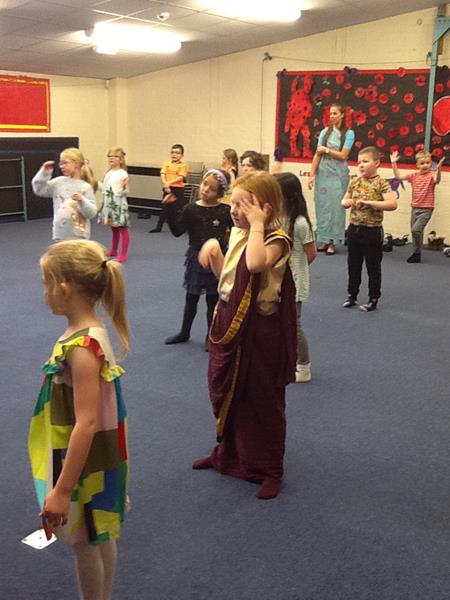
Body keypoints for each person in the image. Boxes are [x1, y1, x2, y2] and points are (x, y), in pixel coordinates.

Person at [28, 239, 130, 600]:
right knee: (98, 534)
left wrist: (62, 489)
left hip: (85, 465)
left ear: (64, 289)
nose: (45, 293)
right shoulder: (88, 333)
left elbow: (86, 423)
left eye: (46, 285)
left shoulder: (83, 348)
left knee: (83, 542)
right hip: (92, 455)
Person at [192, 172, 297, 500]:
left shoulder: (277, 239)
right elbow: (232, 280)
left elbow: (254, 265)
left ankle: (270, 468)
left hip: (260, 331)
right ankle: (226, 454)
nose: (234, 210)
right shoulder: (240, 231)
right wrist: (215, 255)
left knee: (262, 399)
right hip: (229, 320)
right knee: (230, 394)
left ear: (265, 209)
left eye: (242, 205)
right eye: (233, 203)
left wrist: (257, 225)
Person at [165, 169, 233, 346]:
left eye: (212, 188)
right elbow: (177, 231)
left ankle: (211, 336)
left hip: (217, 259)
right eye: (204, 184)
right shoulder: (191, 209)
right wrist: (170, 208)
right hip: (196, 258)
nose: (205, 189)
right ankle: (184, 332)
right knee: (191, 297)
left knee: (212, 300)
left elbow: (237, 232)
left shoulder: (225, 211)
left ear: (220, 193)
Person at [342, 146, 397, 312]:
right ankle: (352, 295)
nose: (361, 165)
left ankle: (373, 298)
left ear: (377, 163)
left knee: (373, 267)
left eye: (365, 161)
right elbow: (344, 201)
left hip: (372, 231)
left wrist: (370, 203)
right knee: (353, 265)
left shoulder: (382, 183)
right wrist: (348, 202)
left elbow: (392, 204)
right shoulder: (355, 181)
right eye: (359, 162)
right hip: (354, 230)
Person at [275, 172, 317, 382]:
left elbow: (311, 254)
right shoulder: (275, 218)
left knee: (294, 324)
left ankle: (303, 365)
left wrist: (296, 271)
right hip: (276, 279)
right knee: (276, 321)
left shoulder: (300, 223)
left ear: (288, 196)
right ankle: (284, 359)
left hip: (295, 281)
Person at [308, 103, 355, 255]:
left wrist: (327, 150)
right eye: (330, 113)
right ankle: (324, 239)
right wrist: (311, 175)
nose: (332, 116)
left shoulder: (348, 134)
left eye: (335, 113)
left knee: (336, 208)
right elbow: (317, 154)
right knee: (323, 206)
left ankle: (333, 242)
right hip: (323, 174)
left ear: (342, 115)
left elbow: (343, 155)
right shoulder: (324, 132)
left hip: (338, 174)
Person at [390, 150, 445, 263]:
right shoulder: (414, 175)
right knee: (415, 232)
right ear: (417, 165)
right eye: (422, 163)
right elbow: (398, 176)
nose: (425, 165)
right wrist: (393, 163)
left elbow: (437, 180)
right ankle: (417, 253)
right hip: (415, 208)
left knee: (416, 229)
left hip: (427, 209)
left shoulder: (432, 175)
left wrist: (439, 169)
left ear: (431, 164)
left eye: (428, 163)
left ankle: (416, 252)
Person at [32, 147, 97, 241]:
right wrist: (44, 173)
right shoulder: (58, 182)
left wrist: (82, 201)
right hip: (60, 234)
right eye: (60, 163)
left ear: (76, 164)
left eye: (65, 163)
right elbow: (39, 189)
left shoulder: (85, 187)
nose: (61, 166)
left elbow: (91, 213)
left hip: (79, 236)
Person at [98, 147, 130, 263]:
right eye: (110, 156)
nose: (111, 158)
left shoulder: (122, 173)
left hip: (118, 203)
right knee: (114, 228)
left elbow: (125, 191)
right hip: (109, 203)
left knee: (122, 228)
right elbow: (104, 189)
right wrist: (95, 183)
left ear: (121, 160)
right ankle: (114, 250)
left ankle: (123, 254)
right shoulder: (109, 173)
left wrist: (124, 187)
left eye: (115, 156)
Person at [149, 143, 188, 233]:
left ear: (182, 155)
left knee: (181, 209)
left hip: (178, 190)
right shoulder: (166, 164)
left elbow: (181, 177)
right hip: (167, 189)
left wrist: (169, 183)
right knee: (164, 209)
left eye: (177, 153)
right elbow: (163, 174)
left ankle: (185, 227)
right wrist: (166, 184)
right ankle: (158, 227)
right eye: (172, 152)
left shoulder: (183, 166)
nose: (174, 155)